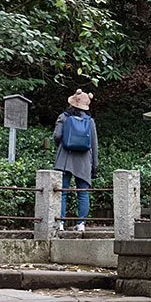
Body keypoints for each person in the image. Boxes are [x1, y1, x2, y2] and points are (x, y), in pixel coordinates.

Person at [52, 90, 98, 231]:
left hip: (65, 158)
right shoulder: (90, 122)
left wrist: (60, 145)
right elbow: (94, 144)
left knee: (62, 191)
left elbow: (57, 135)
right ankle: (81, 224)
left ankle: (60, 223)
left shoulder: (63, 117)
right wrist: (95, 165)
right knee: (83, 192)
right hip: (84, 160)